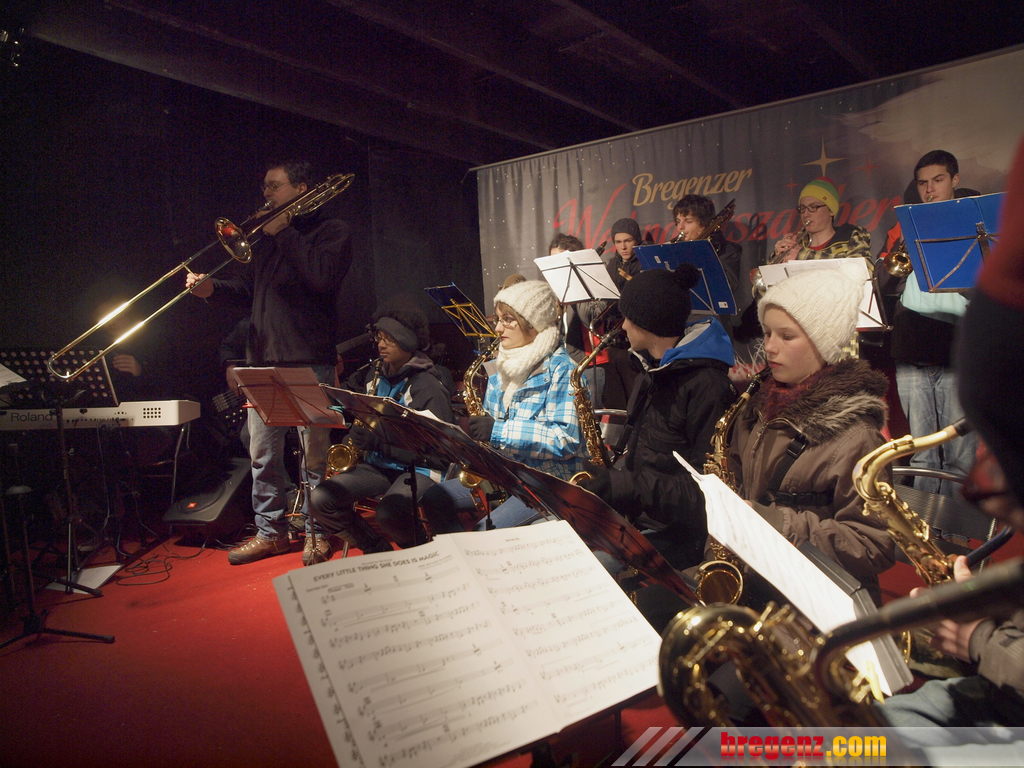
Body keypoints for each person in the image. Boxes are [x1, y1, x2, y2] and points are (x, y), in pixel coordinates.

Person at [186, 159, 352, 565]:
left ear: (301, 188)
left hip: (309, 359)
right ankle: (271, 533)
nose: (266, 194)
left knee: (314, 457)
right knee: (262, 455)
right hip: (261, 361)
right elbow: (248, 291)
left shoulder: (331, 231)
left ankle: (317, 531)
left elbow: (321, 278)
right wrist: (211, 289)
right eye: (264, 187)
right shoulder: (264, 239)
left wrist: (287, 233)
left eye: (274, 186)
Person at [728, 268, 895, 603]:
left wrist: (776, 524)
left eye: (787, 336)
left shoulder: (856, 435)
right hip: (763, 578)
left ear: (824, 344)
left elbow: (874, 544)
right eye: (767, 333)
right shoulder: (757, 406)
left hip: (820, 598)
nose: (769, 347)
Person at [575, 264, 737, 569]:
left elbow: (706, 496)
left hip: (681, 534)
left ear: (649, 325)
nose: (623, 326)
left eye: (629, 318)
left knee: (590, 567)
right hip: (641, 517)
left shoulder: (708, 387)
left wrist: (628, 487)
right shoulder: (651, 370)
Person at [420, 279, 585, 534]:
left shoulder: (563, 370)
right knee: (434, 499)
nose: (497, 328)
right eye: (498, 319)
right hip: (507, 476)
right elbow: (491, 433)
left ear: (533, 323)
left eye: (508, 320)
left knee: (483, 534)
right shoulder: (503, 367)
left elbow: (565, 439)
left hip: (547, 483)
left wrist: (498, 431)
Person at [309, 306, 455, 558]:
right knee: (320, 500)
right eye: (380, 338)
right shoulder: (374, 376)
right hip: (380, 464)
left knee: (390, 512)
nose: (381, 344)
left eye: (390, 339)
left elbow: (438, 452)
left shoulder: (427, 386)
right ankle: (377, 551)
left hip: (419, 468)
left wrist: (378, 441)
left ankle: (420, 554)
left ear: (407, 342)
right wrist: (355, 436)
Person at [876, 150, 979, 496]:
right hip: (912, 349)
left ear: (955, 180)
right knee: (922, 455)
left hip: (958, 350)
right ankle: (925, 525)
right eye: (923, 183)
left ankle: (958, 525)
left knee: (961, 457)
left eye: (938, 180)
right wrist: (900, 252)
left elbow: (985, 291)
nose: (929, 190)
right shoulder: (902, 228)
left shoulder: (973, 226)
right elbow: (885, 284)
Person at [771, 177, 871, 266]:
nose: (806, 214)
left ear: (831, 211)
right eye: (803, 208)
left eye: (813, 207)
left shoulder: (851, 236)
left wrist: (804, 256)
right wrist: (776, 257)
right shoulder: (796, 245)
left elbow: (862, 269)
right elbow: (764, 280)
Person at [672, 194, 741, 295]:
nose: (680, 227)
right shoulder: (676, 248)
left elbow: (728, 286)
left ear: (703, 225)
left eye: (688, 221)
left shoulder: (727, 250)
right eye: (678, 221)